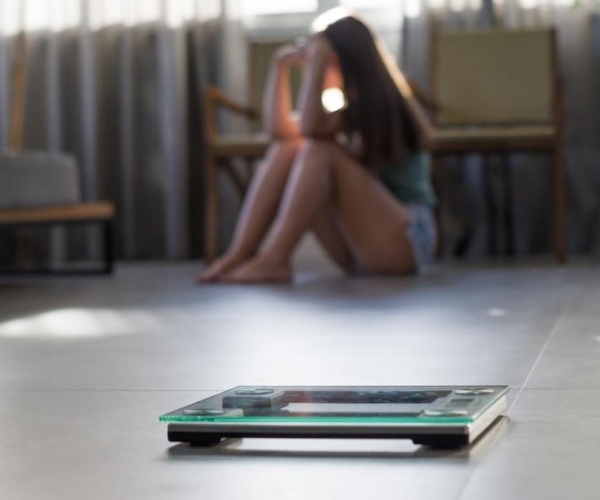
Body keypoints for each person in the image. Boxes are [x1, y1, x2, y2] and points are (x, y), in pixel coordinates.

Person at [199, 8, 436, 284]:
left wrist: (317, 62)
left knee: (318, 150)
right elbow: (280, 131)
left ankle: (274, 258)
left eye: (326, 62)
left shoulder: (380, 104)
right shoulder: (346, 108)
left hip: (409, 238)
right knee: (289, 149)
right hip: (363, 248)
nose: (320, 69)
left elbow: (311, 128)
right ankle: (239, 254)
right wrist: (280, 65)